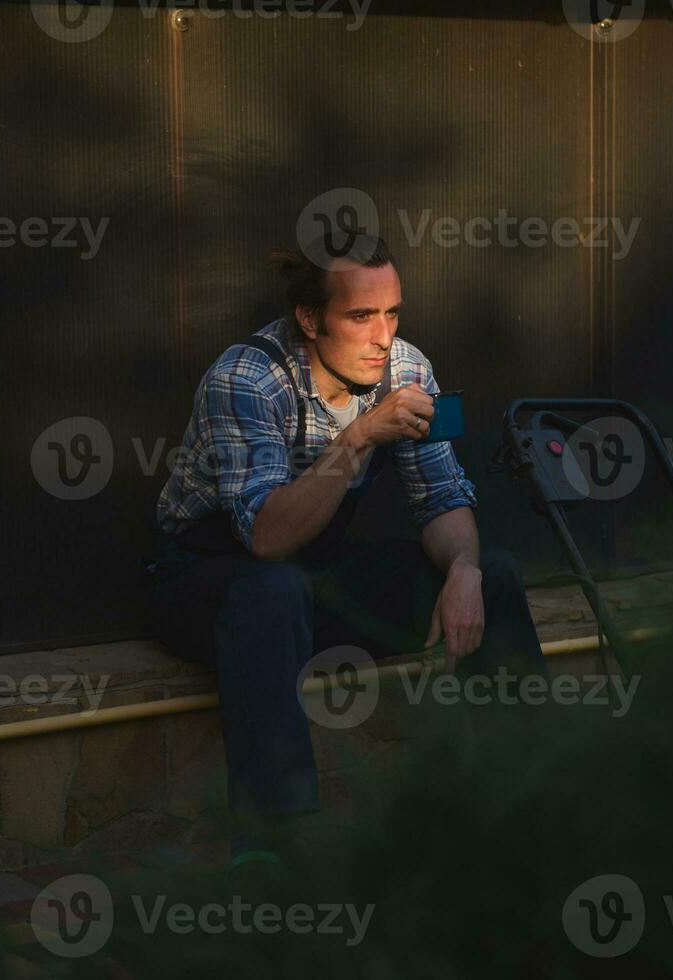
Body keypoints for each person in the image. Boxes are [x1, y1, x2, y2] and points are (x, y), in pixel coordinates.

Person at [148, 234, 546, 870]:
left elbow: (440, 497)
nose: (382, 336)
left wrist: (464, 571)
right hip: (205, 578)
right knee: (272, 590)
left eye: (392, 313)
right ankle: (272, 852)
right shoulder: (247, 378)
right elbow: (267, 539)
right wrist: (359, 436)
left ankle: (531, 806)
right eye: (361, 317)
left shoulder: (407, 368)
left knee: (491, 572)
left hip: (313, 579)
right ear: (310, 319)